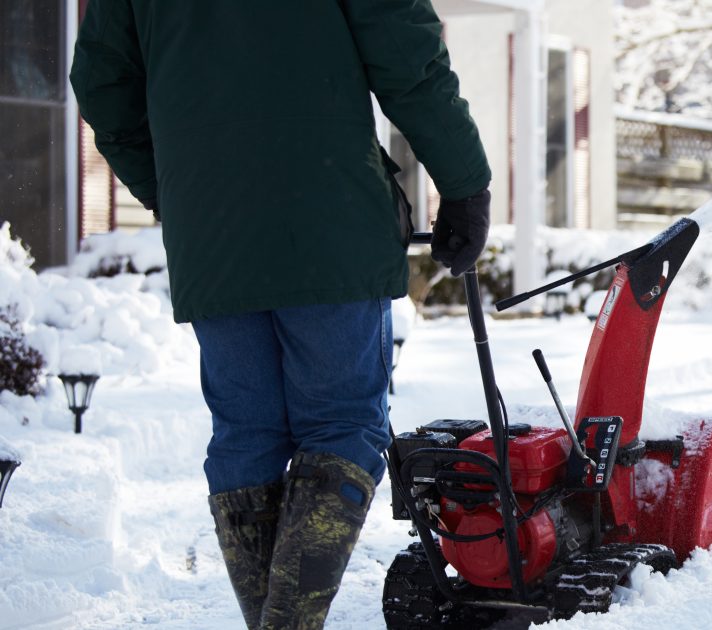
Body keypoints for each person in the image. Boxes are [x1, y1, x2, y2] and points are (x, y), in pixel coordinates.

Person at [70, 1, 491, 627]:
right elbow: (407, 53)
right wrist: (463, 181)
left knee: (247, 433)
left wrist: (178, 189)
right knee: (342, 424)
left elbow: (104, 83)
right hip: (329, 217)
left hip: (213, 235)